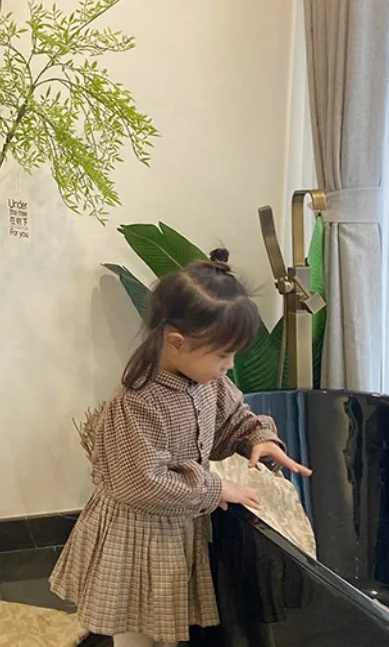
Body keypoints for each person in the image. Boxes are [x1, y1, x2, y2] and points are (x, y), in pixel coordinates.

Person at [50, 250, 312, 647]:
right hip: (137, 534)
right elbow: (142, 482)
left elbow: (234, 417)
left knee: (166, 621)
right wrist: (216, 487)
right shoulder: (137, 401)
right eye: (223, 354)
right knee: (134, 626)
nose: (229, 365)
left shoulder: (209, 381)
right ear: (176, 342)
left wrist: (258, 437)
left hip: (176, 526)